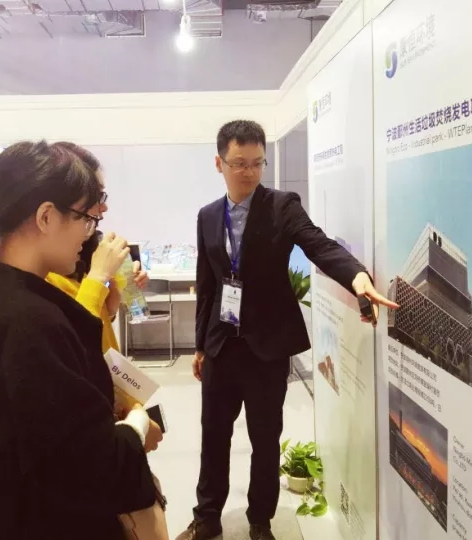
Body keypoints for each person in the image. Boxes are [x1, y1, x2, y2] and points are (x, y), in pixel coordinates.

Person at [177, 120, 399, 540]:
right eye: (239, 163)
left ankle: (260, 520)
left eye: (257, 162)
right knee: (213, 436)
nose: (249, 172)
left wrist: (357, 277)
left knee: (265, 439)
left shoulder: (282, 207)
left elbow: (319, 244)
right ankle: (207, 517)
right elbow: (207, 285)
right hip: (222, 346)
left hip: (266, 348)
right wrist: (200, 346)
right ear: (219, 163)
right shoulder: (207, 216)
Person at [0, 140, 163, 540]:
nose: (89, 233)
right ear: (46, 217)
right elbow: (87, 466)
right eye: (85, 218)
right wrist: (136, 426)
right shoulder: (26, 320)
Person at [45, 144, 148, 354]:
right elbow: (70, 343)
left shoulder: (79, 256)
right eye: (96, 194)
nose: (104, 207)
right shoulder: (43, 275)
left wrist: (115, 291)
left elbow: (99, 318)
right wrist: (99, 276)